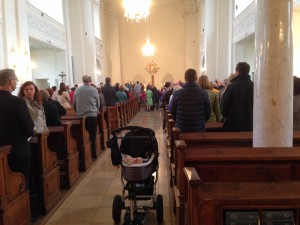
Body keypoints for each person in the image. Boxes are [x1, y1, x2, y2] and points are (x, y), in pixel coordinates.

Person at [0, 69, 34, 189]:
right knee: (21, 188)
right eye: (16, 80)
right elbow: (29, 129)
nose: (16, 82)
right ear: (11, 81)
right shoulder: (17, 102)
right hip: (17, 152)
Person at [221, 62, 254, 131]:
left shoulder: (231, 87)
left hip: (233, 126)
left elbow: (224, 108)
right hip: (251, 126)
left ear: (237, 72)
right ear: (248, 72)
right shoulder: (255, 87)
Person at [73, 75, 100, 159]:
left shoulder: (77, 90)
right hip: (92, 115)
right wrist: (96, 110)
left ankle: (83, 156)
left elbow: (74, 103)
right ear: (90, 81)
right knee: (92, 135)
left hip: (81, 116)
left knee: (82, 136)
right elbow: (98, 103)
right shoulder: (94, 90)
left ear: (82, 80)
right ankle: (93, 154)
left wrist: (77, 111)